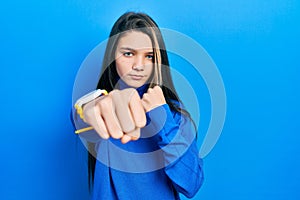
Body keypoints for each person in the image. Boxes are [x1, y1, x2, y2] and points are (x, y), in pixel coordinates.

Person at [72, 12, 204, 200]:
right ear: (112, 56)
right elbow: (84, 116)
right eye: (128, 53)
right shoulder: (104, 106)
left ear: (158, 60)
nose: (139, 65)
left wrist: (163, 119)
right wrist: (94, 105)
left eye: (149, 56)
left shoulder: (174, 114)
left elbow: (191, 184)